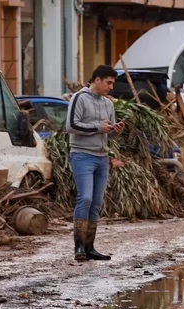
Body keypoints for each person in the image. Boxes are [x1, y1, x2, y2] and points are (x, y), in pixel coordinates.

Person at [66, 65, 125, 262]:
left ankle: (90, 247)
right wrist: (97, 127)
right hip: (82, 155)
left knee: (97, 202)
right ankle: (79, 247)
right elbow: (71, 125)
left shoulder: (108, 104)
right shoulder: (79, 98)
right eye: (108, 82)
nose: (111, 87)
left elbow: (109, 135)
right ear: (97, 80)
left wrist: (115, 130)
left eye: (112, 83)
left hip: (101, 157)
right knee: (86, 198)